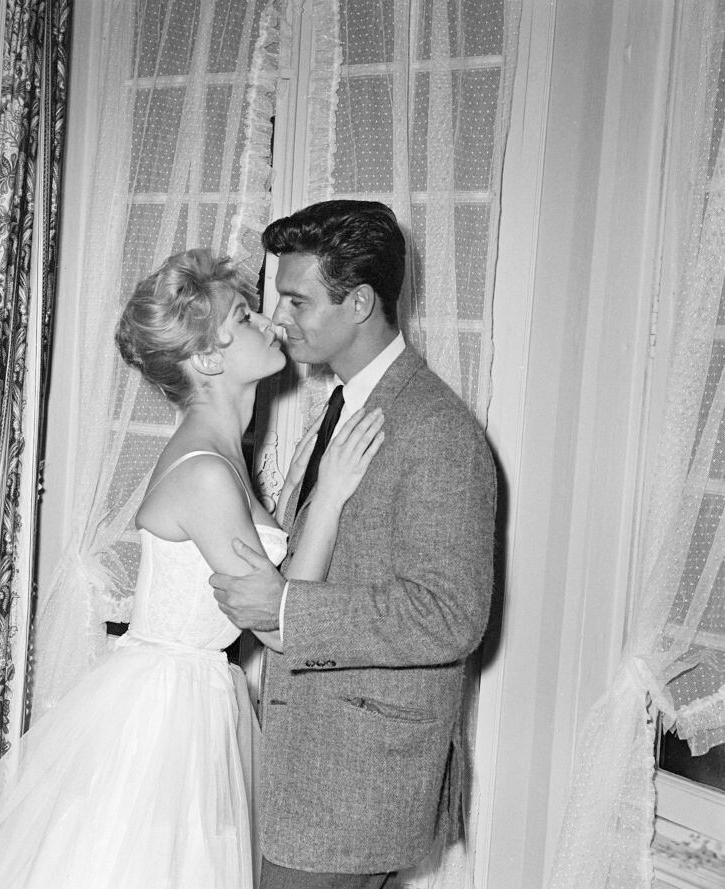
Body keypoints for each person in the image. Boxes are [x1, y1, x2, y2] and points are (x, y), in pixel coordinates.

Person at [0, 248, 384, 889]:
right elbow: (281, 626)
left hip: (191, 693)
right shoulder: (206, 473)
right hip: (169, 710)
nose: (270, 322)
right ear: (208, 360)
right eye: (244, 316)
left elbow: (277, 592)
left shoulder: (217, 454)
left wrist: (300, 497)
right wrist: (332, 498)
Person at [211, 201, 497, 889]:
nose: (277, 318)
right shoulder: (344, 406)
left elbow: (449, 614)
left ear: (360, 303)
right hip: (308, 768)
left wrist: (287, 610)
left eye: (297, 300)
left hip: (355, 782)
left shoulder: (436, 430)